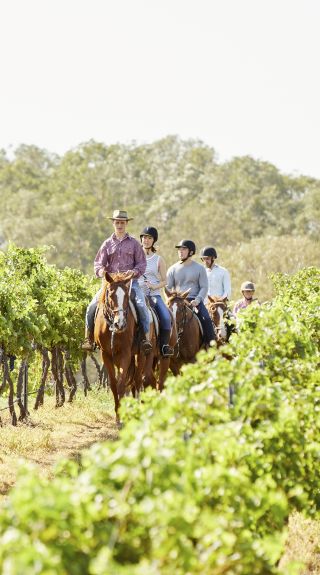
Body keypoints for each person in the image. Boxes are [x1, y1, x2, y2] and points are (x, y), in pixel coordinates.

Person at [82, 209, 152, 354]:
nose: (119, 225)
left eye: (122, 222)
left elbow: (141, 264)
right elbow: (98, 264)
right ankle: (88, 339)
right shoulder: (107, 244)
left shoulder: (134, 244)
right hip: (111, 286)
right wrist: (102, 272)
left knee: (142, 307)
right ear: (113, 223)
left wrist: (134, 272)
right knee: (91, 307)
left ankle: (145, 339)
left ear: (126, 224)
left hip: (130, 284)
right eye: (117, 222)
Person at [166, 239, 216, 349]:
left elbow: (204, 287)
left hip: (194, 301)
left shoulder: (199, 268)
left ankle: (211, 346)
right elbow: (168, 288)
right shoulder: (172, 269)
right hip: (177, 301)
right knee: (164, 318)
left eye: (183, 249)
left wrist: (197, 300)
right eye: (179, 249)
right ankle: (162, 347)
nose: (180, 251)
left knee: (206, 319)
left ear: (191, 252)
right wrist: (170, 300)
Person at [138, 226, 174, 358]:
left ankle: (164, 346)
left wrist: (154, 286)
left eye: (149, 238)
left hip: (154, 295)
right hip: (137, 293)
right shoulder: (135, 256)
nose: (146, 240)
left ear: (154, 241)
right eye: (144, 237)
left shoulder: (159, 259)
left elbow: (165, 281)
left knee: (165, 317)